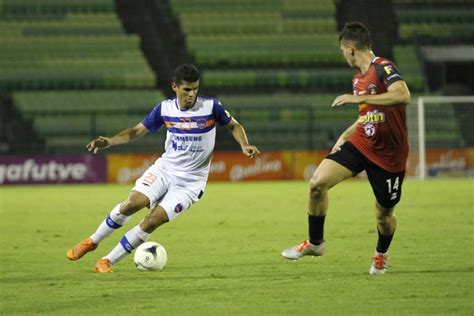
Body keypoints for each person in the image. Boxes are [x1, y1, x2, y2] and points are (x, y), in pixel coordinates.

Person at [67, 64, 260, 273]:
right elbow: (136, 131)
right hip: (165, 170)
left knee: (152, 220)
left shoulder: (211, 107)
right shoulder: (165, 109)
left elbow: (234, 125)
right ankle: (92, 241)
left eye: (195, 89)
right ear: (175, 87)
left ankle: (107, 261)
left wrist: (244, 144)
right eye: (187, 90)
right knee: (131, 204)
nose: (192, 94)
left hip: (191, 183)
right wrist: (110, 141)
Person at [281, 21, 411, 275]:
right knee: (317, 183)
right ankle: (316, 243)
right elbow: (368, 115)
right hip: (362, 143)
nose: (343, 56)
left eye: (343, 51)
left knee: (384, 216)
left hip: (389, 156)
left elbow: (403, 95)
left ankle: (381, 255)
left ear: (350, 49)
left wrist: (359, 97)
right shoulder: (358, 79)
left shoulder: (382, 67)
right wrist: (346, 134)